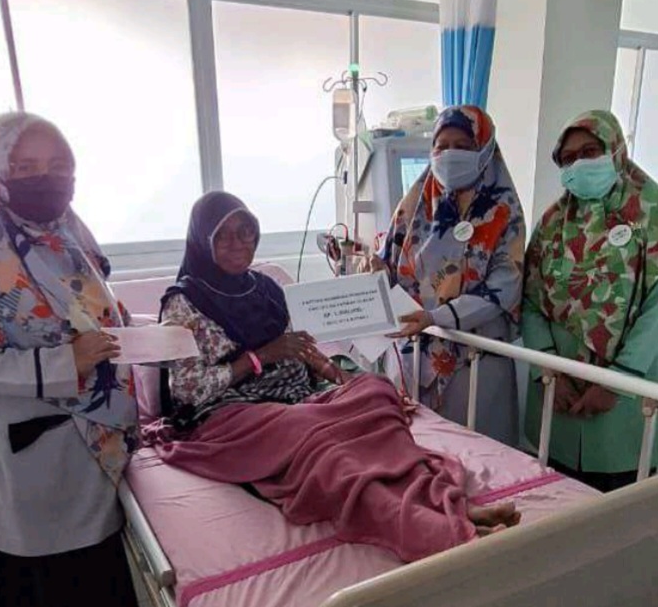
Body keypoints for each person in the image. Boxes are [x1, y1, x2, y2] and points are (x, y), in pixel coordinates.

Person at [151, 190, 519, 563]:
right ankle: (444, 532)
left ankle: (452, 507)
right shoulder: (184, 302)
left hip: (297, 399)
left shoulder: (266, 289)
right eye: (223, 235)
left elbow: (299, 348)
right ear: (202, 241)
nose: (238, 243)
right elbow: (187, 390)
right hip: (232, 413)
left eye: (245, 231)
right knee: (330, 451)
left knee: (376, 391)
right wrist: (258, 357)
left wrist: (340, 377)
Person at [0, 112, 175, 607]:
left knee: (95, 566)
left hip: (92, 433)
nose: (44, 178)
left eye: (58, 165)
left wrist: (137, 332)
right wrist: (63, 362)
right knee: (57, 580)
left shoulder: (66, 231)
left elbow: (92, 303)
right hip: (33, 444)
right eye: (25, 167)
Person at [371, 105, 526, 445]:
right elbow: (389, 259)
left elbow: (504, 287)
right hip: (414, 350)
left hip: (474, 357)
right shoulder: (414, 204)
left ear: (484, 149)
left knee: (476, 454)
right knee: (415, 449)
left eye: (463, 146)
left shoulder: (503, 211)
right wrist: (372, 268)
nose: (450, 154)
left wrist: (437, 317)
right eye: (441, 146)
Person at [523, 109, 658, 492]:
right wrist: (548, 370)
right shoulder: (552, 223)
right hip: (559, 391)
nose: (579, 164)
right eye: (568, 159)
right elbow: (530, 299)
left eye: (589, 152)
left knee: (620, 510)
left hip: (628, 394)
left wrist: (618, 381)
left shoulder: (651, 215)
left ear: (615, 149)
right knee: (554, 502)